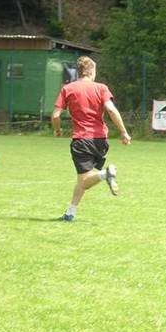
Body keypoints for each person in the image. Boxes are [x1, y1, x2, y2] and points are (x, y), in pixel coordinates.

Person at [52, 56, 131, 221]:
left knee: (85, 180)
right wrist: (123, 131)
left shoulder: (68, 88)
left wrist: (57, 130)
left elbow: (55, 116)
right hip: (101, 140)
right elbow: (111, 110)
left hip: (81, 140)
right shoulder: (101, 88)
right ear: (92, 71)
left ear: (79, 71)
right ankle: (70, 213)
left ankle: (105, 174)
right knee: (83, 178)